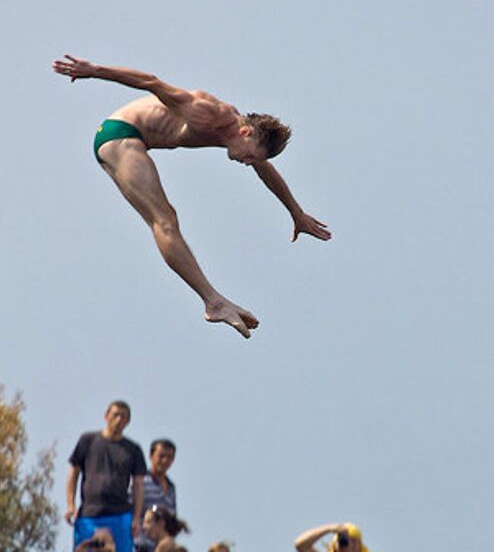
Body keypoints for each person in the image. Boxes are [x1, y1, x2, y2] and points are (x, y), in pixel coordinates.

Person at [52, 54, 332, 340]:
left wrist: (296, 213)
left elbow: (265, 170)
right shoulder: (207, 112)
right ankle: (213, 302)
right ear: (245, 132)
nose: (247, 163)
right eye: (249, 156)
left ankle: (214, 300)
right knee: (165, 220)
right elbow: (151, 81)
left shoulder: (239, 137)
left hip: (139, 142)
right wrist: (94, 71)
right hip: (119, 134)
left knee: (166, 219)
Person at [66, 400, 146, 552]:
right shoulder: (87, 440)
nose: (119, 420)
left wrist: (137, 518)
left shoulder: (133, 449)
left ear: (128, 422)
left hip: (120, 513)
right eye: (115, 415)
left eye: (123, 417)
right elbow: (73, 473)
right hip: (89, 512)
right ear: (106, 416)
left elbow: (138, 485)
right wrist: (70, 505)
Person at [132, 439, 178, 552]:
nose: (165, 461)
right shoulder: (140, 481)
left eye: (169, 457)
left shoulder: (170, 487)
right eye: (161, 456)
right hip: (141, 548)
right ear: (151, 456)